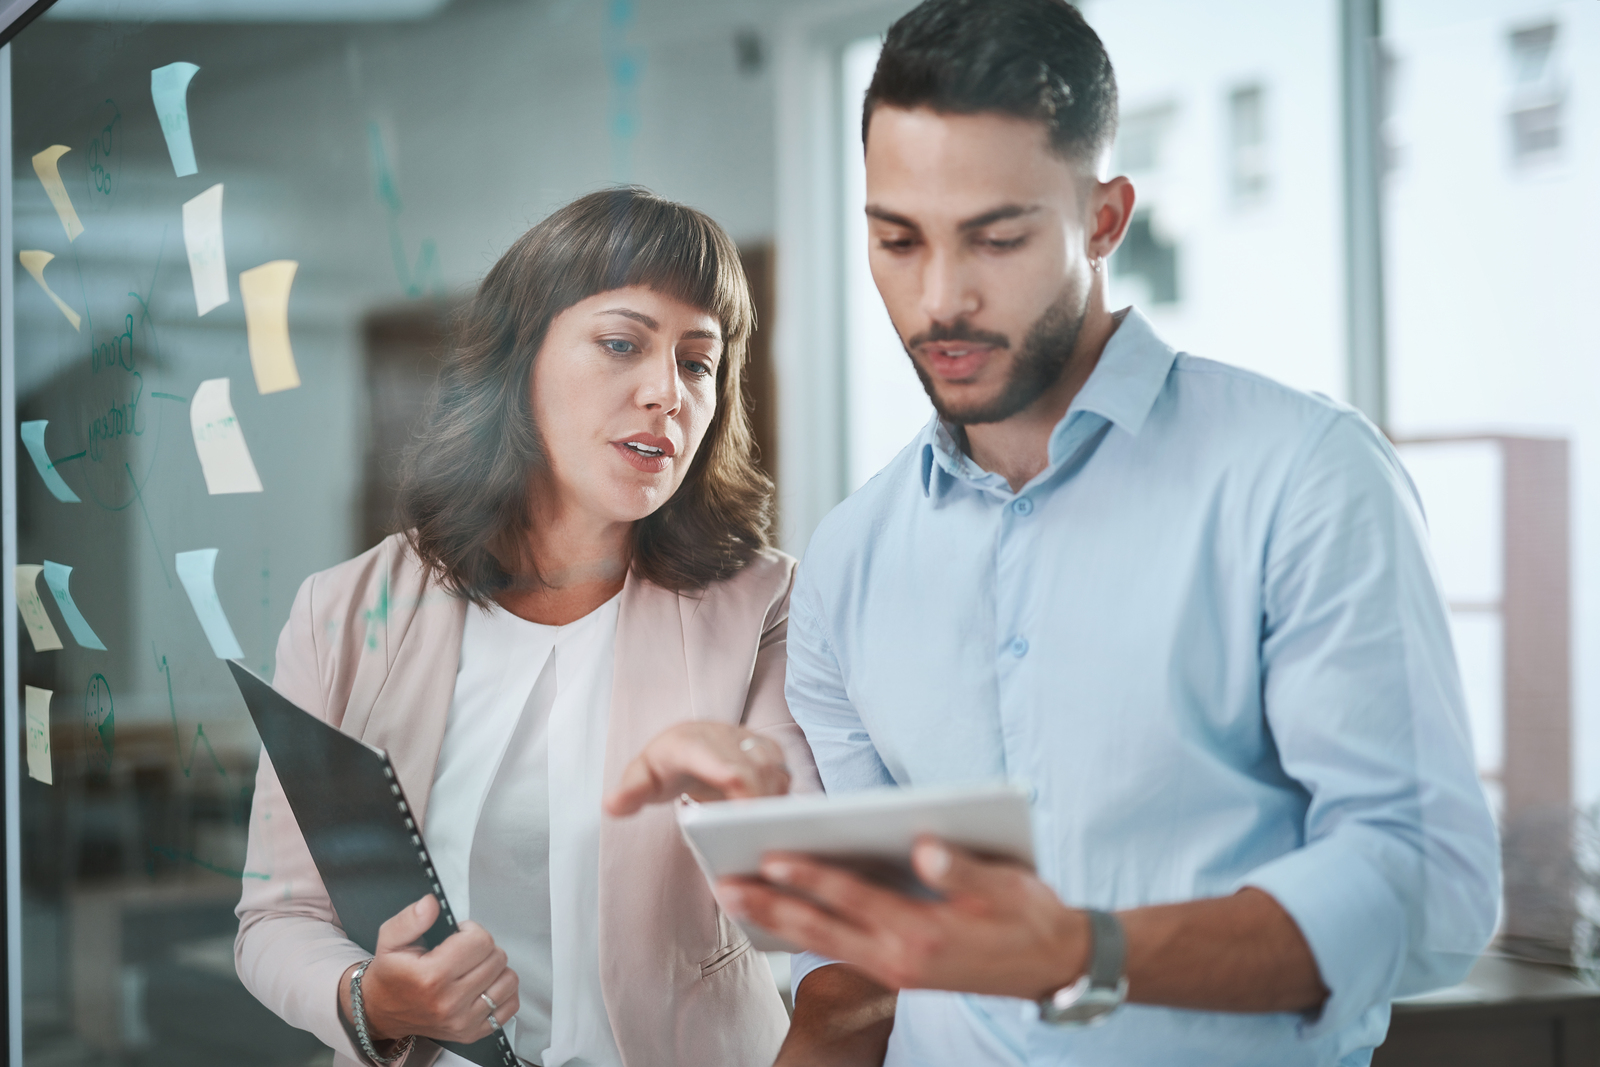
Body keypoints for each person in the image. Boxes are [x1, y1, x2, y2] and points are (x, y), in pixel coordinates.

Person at [717, 2, 1502, 1065]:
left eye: (997, 236)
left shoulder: (1300, 475)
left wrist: (1087, 947)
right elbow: (873, 956)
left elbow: (1427, 884)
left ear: (1103, 217)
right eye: (897, 239)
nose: (939, 296)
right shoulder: (849, 558)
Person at [234, 187, 819, 1067]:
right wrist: (371, 998)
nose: (667, 391)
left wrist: (753, 804)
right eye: (622, 344)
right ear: (519, 360)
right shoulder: (344, 612)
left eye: (698, 363)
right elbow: (278, 916)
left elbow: (807, 891)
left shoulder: (761, 602)